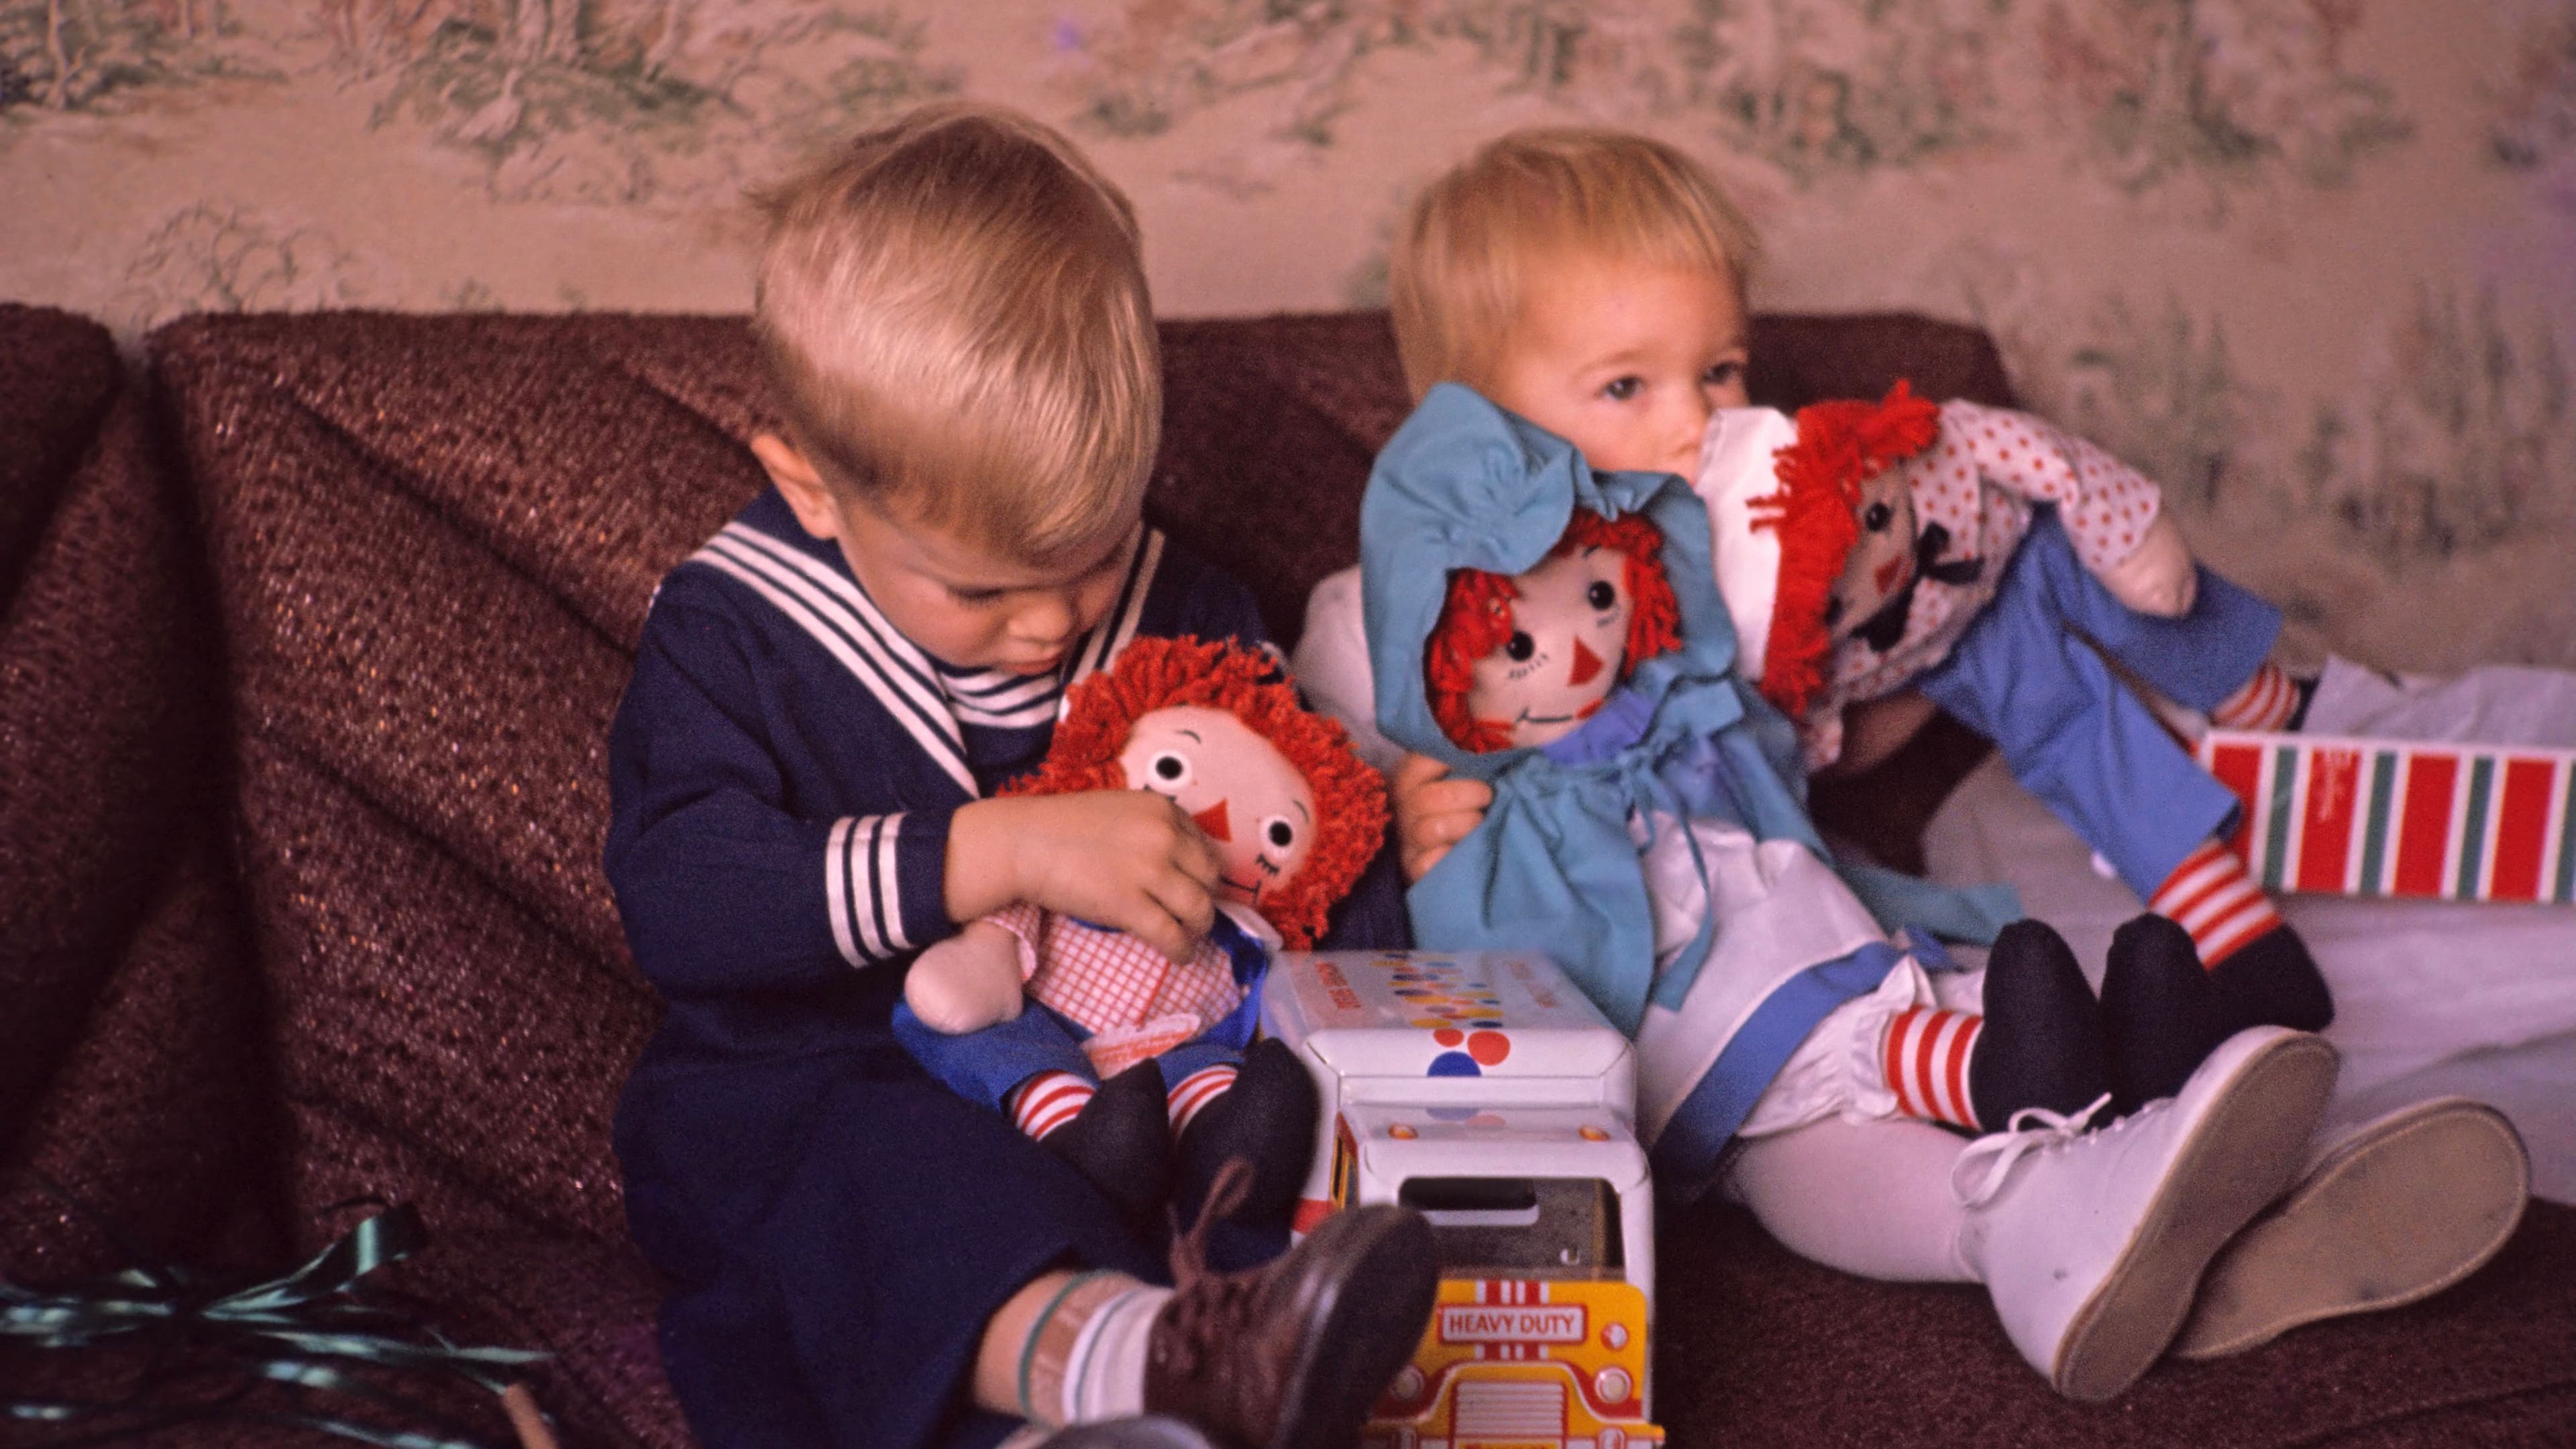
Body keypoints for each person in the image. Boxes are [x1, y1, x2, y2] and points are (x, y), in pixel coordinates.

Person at [1290, 125, 2524, 1398]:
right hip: (1639, 990)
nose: (1696, 425)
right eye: (1625, 389)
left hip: (1810, 906)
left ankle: (2192, 1179)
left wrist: (1955, 627)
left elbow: (1827, 716)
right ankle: (2021, 1226)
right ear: (1472, 422)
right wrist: (1389, 809)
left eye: (1719, 371)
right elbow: (1306, 814)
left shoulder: (1728, 571)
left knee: (1989, 992)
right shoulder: (1384, 608)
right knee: (1809, 1115)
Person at [605, 103, 1432, 1449]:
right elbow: (681, 898)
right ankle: (1141, 1362)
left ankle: (1129, 1398)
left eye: (1093, 555)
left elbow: (1310, 879)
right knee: (889, 1189)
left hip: (1134, 1106)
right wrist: (1002, 851)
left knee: (1252, 1154)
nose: (1049, 625)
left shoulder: (1191, 612)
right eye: (982, 587)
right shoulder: (736, 629)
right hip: (813, 1102)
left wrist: (1399, 891)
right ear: (811, 487)